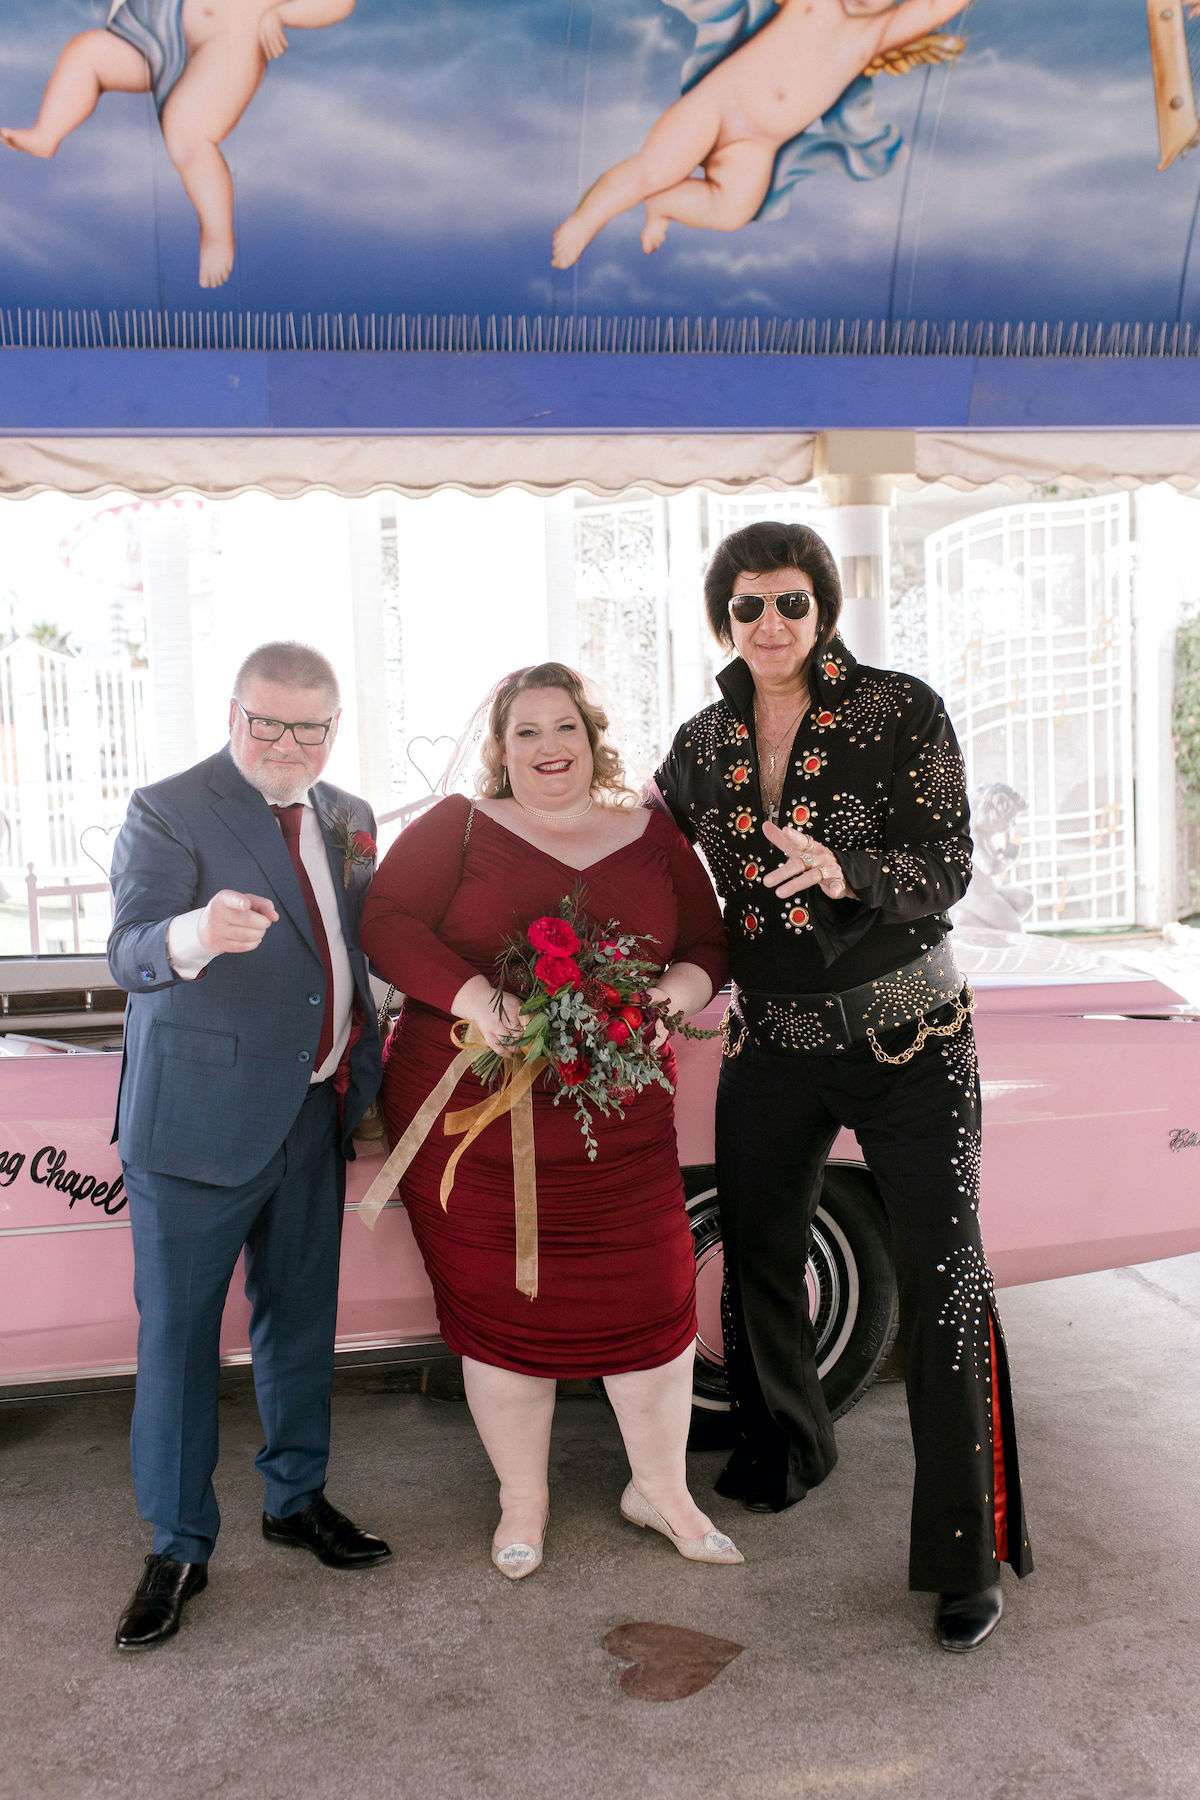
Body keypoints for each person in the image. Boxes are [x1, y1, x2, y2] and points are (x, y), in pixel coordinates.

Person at [652, 521, 1032, 1652]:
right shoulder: (699, 744)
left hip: (911, 1038)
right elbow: (647, 857)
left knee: (944, 1281)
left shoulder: (900, 709)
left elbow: (947, 862)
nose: (770, 624)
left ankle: (966, 1555)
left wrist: (848, 871)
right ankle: (787, 1450)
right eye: (748, 606)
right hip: (773, 1042)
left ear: (823, 610)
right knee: (759, 1258)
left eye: (791, 603)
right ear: (723, 620)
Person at [360, 663, 740, 1580]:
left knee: (654, 1291)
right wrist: (477, 997)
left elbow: (708, 944)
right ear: (501, 748)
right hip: (475, 1117)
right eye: (525, 732)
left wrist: (667, 998)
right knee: (505, 1305)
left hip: (618, 1120)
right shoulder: (456, 827)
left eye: (563, 727)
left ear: (592, 737)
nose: (548, 747)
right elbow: (386, 921)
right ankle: (521, 1500)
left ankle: (662, 1490)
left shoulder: (652, 835)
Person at [106, 640, 388, 1651]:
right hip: (195, 1126)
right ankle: (178, 1546)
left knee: (301, 1323)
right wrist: (197, 932)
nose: (287, 744)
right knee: (180, 1343)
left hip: (313, 1115)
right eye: (268, 723)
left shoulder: (349, 816)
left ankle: (294, 1499)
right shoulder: (169, 808)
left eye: (310, 727)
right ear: (234, 714)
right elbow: (129, 949)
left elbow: (354, 946)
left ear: (333, 728)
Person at [551, 0, 965, 267]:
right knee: (652, 170)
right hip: (715, 108)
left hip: (755, 147)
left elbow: (936, 6)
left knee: (731, 211)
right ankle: (586, 220)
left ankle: (662, 205)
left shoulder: (877, 33)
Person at [1, 1, 355, 289]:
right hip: (161, 32)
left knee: (187, 132)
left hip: (230, 42)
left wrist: (281, 13)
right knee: (87, 51)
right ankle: (47, 133)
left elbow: (339, 3)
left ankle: (216, 232)